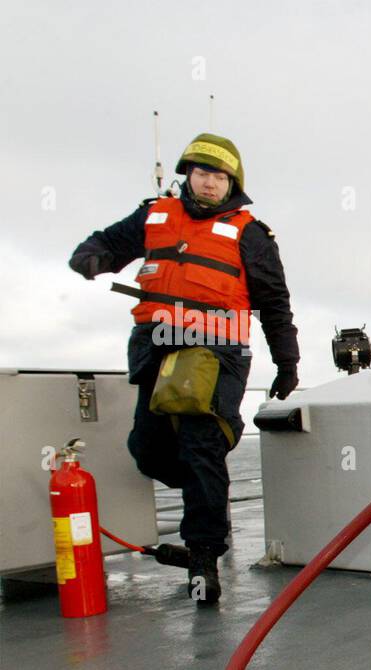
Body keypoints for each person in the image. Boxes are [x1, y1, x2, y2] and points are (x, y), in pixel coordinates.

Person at [68, 133, 300, 606]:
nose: (210, 183)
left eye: (219, 176)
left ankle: (203, 558)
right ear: (187, 175)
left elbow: (275, 303)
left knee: (199, 447)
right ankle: (210, 478)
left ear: (232, 182)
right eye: (201, 173)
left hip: (214, 355)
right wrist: (91, 257)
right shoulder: (154, 215)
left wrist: (287, 361)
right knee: (147, 449)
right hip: (155, 350)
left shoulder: (249, 233)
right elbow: (108, 243)